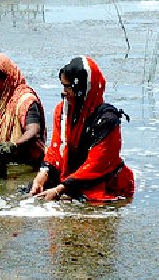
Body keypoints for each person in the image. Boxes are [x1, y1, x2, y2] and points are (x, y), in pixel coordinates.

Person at [31, 56, 135, 202]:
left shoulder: (107, 121)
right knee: (30, 194)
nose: (63, 92)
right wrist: (42, 174)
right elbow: (56, 149)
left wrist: (60, 189)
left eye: (67, 87)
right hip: (72, 176)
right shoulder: (62, 111)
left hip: (102, 182)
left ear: (82, 89)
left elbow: (97, 165)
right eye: (62, 85)